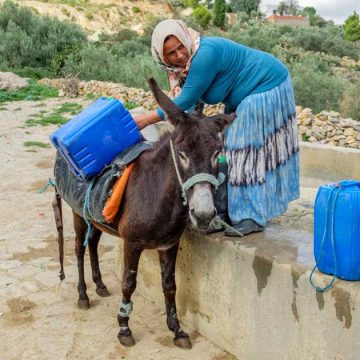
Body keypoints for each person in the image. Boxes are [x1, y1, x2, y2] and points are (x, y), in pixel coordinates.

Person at [133, 19, 299, 236]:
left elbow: (184, 102)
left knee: (244, 152)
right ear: (162, 57)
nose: (180, 55)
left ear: (186, 39)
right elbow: (192, 107)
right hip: (244, 98)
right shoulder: (183, 70)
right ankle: (226, 209)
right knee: (225, 151)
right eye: (171, 53)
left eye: (181, 46)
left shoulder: (204, 55)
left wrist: (145, 120)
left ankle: (251, 215)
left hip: (265, 87)